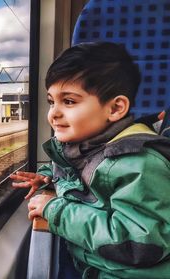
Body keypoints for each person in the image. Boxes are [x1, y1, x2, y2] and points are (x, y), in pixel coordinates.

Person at [11, 42, 170, 278]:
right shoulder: (87, 147)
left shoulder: (139, 164)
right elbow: (86, 182)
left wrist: (56, 212)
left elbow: (140, 243)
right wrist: (50, 179)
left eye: (69, 101)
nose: (53, 113)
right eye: (51, 101)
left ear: (115, 108)